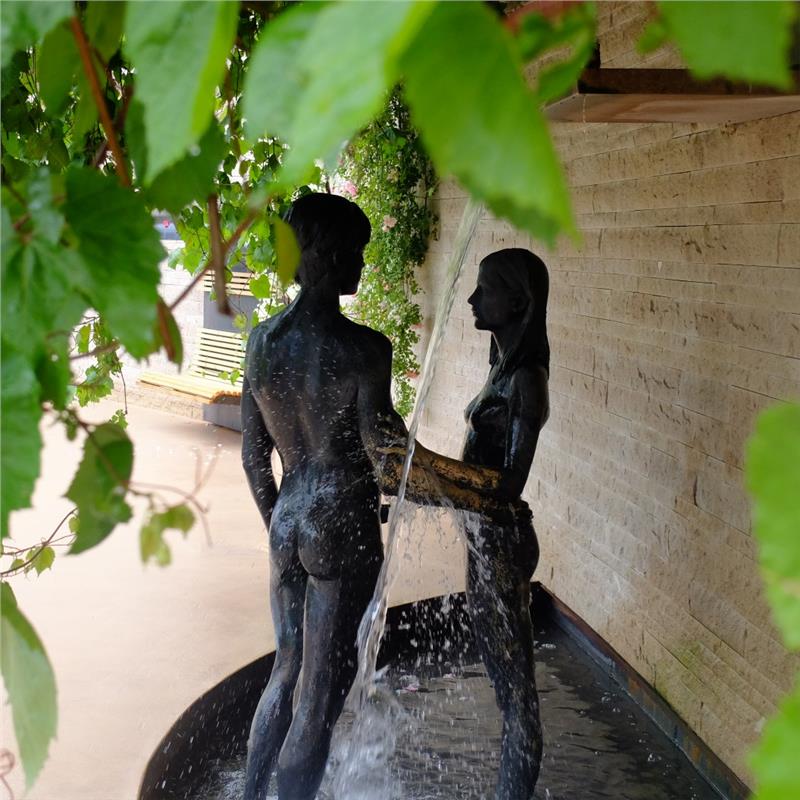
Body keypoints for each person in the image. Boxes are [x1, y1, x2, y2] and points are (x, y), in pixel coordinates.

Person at [240, 193, 503, 800]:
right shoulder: (364, 350)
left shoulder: (262, 342)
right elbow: (388, 462)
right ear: (330, 255)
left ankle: (252, 793)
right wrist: (479, 493)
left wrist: (279, 527)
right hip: (341, 524)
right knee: (318, 698)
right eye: (356, 251)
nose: (361, 262)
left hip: (287, 520)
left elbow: (254, 458)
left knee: (285, 670)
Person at [460, 247, 550, 800]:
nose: (473, 298)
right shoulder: (501, 366)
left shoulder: (527, 381)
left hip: (502, 543)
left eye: (485, 289)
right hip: (484, 540)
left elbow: (509, 484)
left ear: (518, 302)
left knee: (518, 699)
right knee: (504, 685)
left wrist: (429, 477)